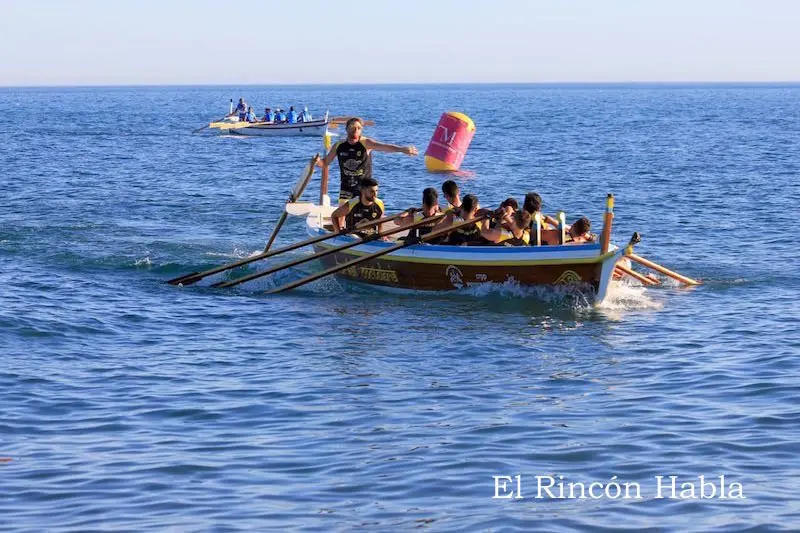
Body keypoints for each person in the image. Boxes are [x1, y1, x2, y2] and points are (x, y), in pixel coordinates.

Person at [319, 117, 418, 204]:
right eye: (353, 127)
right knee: (341, 214)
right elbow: (325, 163)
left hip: (364, 188)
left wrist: (402, 149)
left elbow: (384, 147)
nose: (355, 130)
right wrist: (315, 162)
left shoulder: (365, 143)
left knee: (367, 212)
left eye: (358, 128)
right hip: (346, 188)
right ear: (347, 129)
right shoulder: (338, 146)